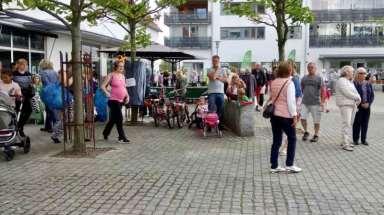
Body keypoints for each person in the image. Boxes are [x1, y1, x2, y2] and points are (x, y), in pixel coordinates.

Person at [268, 61, 301, 173]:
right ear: (289, 71)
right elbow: (291, 102)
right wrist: (295, 115)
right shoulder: (289, 83)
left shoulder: (273, 82)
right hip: (286, 116)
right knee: (292, 138)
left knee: (276, 140)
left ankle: (274, 166)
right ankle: (289, 164)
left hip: (274, 115)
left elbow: (271, 97)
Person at [102, 60, 130, 143]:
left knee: (113, 119)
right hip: (113, 100)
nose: (122, 68)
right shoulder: (111, 75)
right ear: (115, 67)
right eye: (120, 66)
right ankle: (122, 137)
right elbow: (103, 86)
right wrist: (106, 92)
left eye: (122, 66)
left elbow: (124, 88)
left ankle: (105, 133)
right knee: (119, 118)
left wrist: (127, 96)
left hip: (121, 100)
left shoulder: (122, 76)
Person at [335, 66, 361, 151]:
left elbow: (355, 91)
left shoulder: (349, 81)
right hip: (345, 105)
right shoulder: (341, 81)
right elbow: (347, 92)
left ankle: (345, 141)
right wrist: (357, 97)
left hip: (352, 105)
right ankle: (345, 144)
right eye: (352, 72)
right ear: (346, 72)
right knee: (346, 124)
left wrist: (358, 97)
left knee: (349, 124)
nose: (353, 73)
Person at [280, 61, 303, 156]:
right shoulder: (294, 79)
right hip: (291, 108)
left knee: (284, 130)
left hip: (284, 109)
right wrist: (297, 111)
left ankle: (283, 147)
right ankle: (285, 148)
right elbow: (298, 95)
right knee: (290, 129)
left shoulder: (280, 79)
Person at [300, 62, 325, 143]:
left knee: (316, 120)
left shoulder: (319, 78)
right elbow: (302, 88)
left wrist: (322, 102)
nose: (310, 69)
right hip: (305, 102)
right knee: (303, 118)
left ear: (315, 68)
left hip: (316, 103)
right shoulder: (304, 78)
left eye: (312, 67)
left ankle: (316, 135)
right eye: (309, 67)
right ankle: (306, 132)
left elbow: (323, 90)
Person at [12, 58, 34, 137]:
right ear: (18, 65)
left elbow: (31, 84)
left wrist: (32, 87)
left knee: (29, 110)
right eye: (23, 64)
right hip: (18, 96)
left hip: (27, 96)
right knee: (18, 112)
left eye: (26, 64)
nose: (25, 66)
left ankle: (20, 126)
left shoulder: (29, 74)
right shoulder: (13, 74)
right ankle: (16, 128)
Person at [353, 67, 374, 146]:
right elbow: (353, 96)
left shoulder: (368, 84)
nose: (363, 75)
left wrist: (369, 103)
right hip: (358, 106)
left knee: (365, 123)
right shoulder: (354, 84)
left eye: (364, 73)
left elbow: (372, 95)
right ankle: (355, 139)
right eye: (361, 73)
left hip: (367, 107)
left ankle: (363, 139)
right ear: (357, 74)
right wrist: (360, 103)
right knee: (357, 123)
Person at [207, 55, 228, 130]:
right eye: (214, 61)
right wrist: (217, 71)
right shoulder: (209, 69)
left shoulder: (223, 70)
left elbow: (226, 80)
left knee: (221, 109)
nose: (215, 62)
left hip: (220, 92)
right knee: (211, 108)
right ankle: (209, 124)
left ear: (219, 61)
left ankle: (219, 124)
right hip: (211, 92)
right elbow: (212, 78)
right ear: (212, 61)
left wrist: (218, 77)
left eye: (216, 61)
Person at [39, 59, 60, 133]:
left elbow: (46, 83)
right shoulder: (55, 72)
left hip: (48, 92)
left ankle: (52, 127)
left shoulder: (43, 73)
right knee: (52, 110)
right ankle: (48, 126)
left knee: (49, 110)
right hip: (55, 92)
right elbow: (58, 82)